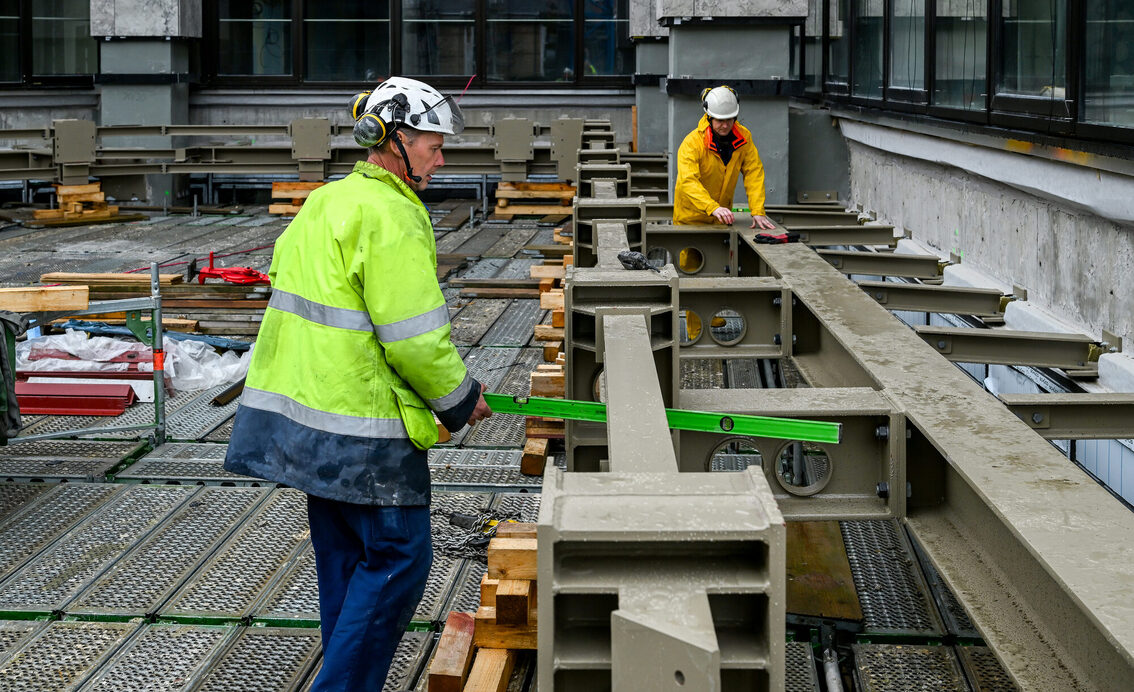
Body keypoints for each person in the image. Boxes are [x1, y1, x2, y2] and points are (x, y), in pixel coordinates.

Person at [224, 76, 491, 692]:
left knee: (346, 562)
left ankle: (347, 678)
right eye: (432, 144)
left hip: (309, 428)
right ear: (392, 139)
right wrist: (459, 398)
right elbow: (414, 337)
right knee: (399, 559)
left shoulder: (325, 202)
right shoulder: (392, 213)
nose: (441, 157)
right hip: (366, 431)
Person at [673, 85, 777, 231]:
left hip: (721, 220)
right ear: (709, 118)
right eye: (720, 120)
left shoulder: (743, 138)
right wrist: (712, 207)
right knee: (691, 254)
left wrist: (757, 211)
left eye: (729, 119)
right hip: (690, 220)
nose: (725, 125)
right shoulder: (692, 143)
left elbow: (753, 173)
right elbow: (688, 181)